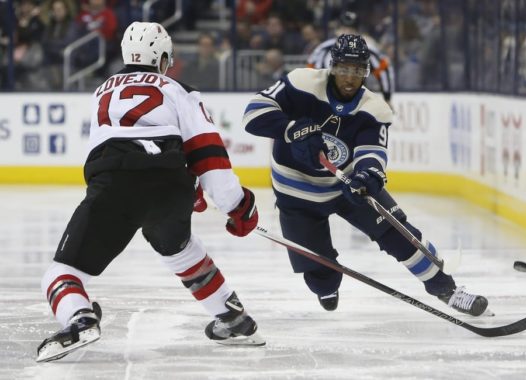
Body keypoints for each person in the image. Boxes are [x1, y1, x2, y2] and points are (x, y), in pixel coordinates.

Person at [36, 21, 264, 363]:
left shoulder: (102, 90)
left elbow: (106, 152)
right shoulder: (177, 89)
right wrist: (236, 204)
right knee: (180, 249)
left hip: (116, 183)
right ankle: (233, 318)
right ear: (161, 58)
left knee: (61, 273)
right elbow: (208, 152)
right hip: (170, 183)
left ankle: (79, 318)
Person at [241, 34, 489, 316]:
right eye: (344, 69)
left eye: (357, 70)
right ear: (332, 67)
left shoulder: (374, 108)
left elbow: (372, 153)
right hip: (296, 195)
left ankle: (447, 290)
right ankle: (327, 286)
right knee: (321, 277)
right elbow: (253, 113)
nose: (350, 78)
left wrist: (367, 176)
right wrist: (290, 128)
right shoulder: (301, 83)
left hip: (345, 189)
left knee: (400, 233)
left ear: (366, 72)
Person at [307, 11, 395, 103]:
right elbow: (310, 73)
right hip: (325, 101)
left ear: (357, 32)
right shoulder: (323, 50)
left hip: (357, 102)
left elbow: (384, 70)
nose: (347, 32)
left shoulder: (368, 50)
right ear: (337, 30)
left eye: (351, 29)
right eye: (344, 28)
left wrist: (387, 97)